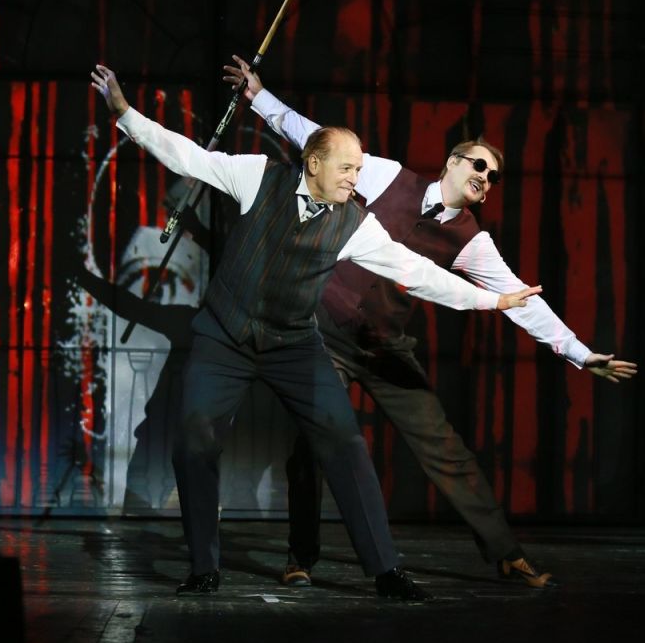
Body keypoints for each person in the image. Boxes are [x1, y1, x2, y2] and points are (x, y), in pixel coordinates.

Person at [90, 64, 541, 601]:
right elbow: (187, 155)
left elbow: (417, 273)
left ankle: (386, 570)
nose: (356, 178)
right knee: (194, 438)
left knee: (344, 442)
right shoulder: (258, 176)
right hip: (224, 337)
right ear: (314, 162)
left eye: (359, 169)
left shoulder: (354, 223)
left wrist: (492, 300)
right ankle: (204, 566)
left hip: (293, 345)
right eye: (347, 168)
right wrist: (125, 115)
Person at [222, 55, 638, 589]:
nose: (485, 178)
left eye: (493, 176)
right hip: (325, 334)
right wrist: (258, 96)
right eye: (478, 166)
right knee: (314, 440)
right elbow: (311, 136)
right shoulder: (386, 175)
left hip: (384, 347)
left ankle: (506, 553)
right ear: (452, 162)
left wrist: (580, 353)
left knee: (444, 447)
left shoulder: (471, 238)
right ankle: (300, 555)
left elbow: (520, 300)